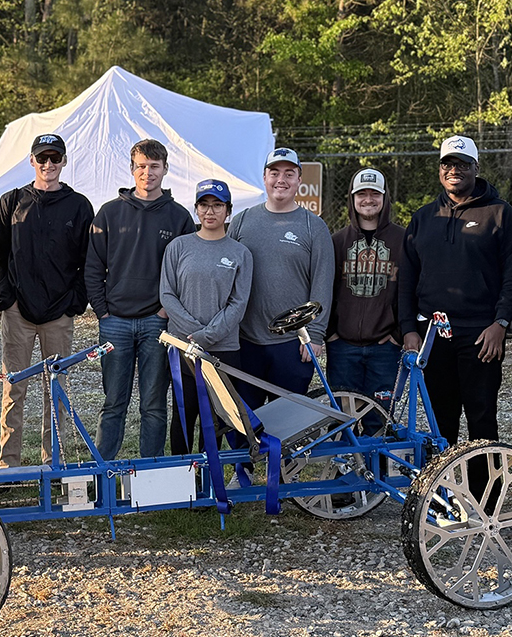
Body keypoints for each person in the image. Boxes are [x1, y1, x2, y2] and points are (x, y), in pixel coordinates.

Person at [398, 135, 512, 445]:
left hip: (481, 335)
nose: (454, 170)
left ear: (476, 168)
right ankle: (445, 491)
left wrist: (502, 323)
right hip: (432, 335)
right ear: (440, 170)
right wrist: (408, 329)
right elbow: (406, 279)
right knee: (440, 421)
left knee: (481, 419)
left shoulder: (499, 214)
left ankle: (484, 493)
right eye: (447, 164)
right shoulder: (424, 218)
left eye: (462, 164)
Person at [85, 138, 196, 459]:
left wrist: (165, 310)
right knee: (113, 402)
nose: (148, 173)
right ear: (132, 170)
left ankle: (152, 472)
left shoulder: (179, 218)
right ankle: (102, 468)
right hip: (114, 322)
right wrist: (103, 311)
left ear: (165, 170)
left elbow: (184, 271)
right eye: (142, 167)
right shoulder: (109, 213)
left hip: (156, 323)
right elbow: (93, 266)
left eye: (154, 167)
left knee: (154, 403)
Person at [0, 134, 94, 467]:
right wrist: (7, 300)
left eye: (55, 158)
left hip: (59, 313)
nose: (48, 165)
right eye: (42, 158)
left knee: (57, 393)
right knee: (14, 390)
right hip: (19, 312)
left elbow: (87, 259)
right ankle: (8, 467)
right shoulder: (12, 201)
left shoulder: (79, 205)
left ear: (64, 161)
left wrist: (74, 303)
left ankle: (54, 465)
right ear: (32, 161)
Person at [228, 148, 334, 407]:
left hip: (292, 343)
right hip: (245, 340)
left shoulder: (314, 226)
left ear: (299, 180)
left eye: (289, 173)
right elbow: (225, 276)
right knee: (245, 424)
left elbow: (322, 282)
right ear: (264, 177)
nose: (281, 180)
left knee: (287, 424)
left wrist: (315, 335)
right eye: (274, 173)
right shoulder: (242, 222)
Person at [159, 179, 252, 453]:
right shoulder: (178, 247)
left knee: (216, 421)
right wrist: (192, 334)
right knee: (183, 417)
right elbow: (167, 294)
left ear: (228, 210)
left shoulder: (240, 253)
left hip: (222, 349)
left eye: (217, 205)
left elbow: (238, 302)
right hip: (184, 349)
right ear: (196, 210)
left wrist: (207, 335)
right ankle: (182, 478)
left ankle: (210, 480)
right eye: (204, 205)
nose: (210, 211)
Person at [327, 168, 406, 410]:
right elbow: (324, 288)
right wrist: (330, 332)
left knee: (379, 418)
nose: (368, 199)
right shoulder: (337, 241)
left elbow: (412, 290)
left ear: (385, 198)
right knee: (342, 420)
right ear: (352, 198)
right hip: (342, 347)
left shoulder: (403, 240)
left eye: (375, 193)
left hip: (385, 348)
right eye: (362, 193)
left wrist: (398, 335)